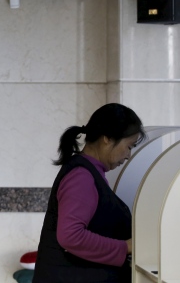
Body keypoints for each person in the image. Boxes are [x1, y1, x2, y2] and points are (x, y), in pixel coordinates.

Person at [32, 103, 146, 283]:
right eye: (129, 146)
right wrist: (126, 247)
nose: (128, 155)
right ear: (107, 138)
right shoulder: (81, 176)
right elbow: (71, 236)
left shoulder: (90, 172)